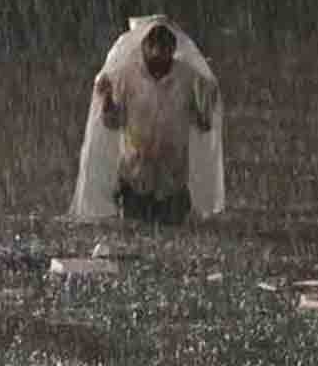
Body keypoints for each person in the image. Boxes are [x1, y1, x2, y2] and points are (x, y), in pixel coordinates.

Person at [69, 15, 224, 225]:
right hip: (136, 176)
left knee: (171, 227)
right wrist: (105, 97)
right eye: (155, 47)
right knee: (138, 225)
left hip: (172, 178)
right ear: (144, 47)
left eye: (166, 48)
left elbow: (202, 123)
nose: (160, 54)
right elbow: (113, 122)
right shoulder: (127, 76)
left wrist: (209, 102)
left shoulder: (187, 77)